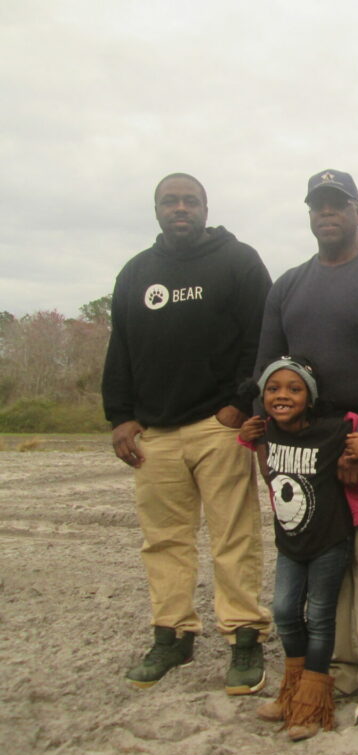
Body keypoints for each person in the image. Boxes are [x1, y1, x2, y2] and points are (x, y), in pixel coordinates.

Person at [255, 170, 358, 724]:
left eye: (338, 204)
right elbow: (268, 366)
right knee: (330, 552)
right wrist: (271, 433)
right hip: (314, 440)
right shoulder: (289, 284)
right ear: (309, 215)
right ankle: (341, 668)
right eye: (318, 205)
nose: (327, 213)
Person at [102, 173, 272, 694]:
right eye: (170, 201)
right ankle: (172, 636)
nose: (180, 208)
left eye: (189, 201)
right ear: (156, 210)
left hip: (216, 427)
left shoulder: (238, 260)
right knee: (164, 541)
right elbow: (122, 348)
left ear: (205, 207)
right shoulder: (136, 272)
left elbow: (263, 337)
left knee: (233, 536)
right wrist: (120, 416)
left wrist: (238, 404)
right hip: (155, 432)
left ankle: (244, 638)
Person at [238, 357, 358, 741]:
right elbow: (250, 443)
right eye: (273, 389)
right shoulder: (265, 431)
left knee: (321, 618)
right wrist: (245, 433)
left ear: (310, 398)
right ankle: (291, 689)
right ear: (263, 397)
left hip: (329, 541)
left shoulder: (332, 429)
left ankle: (310, 703)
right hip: (290, 543)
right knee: (284, 612)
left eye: (294, 389)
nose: (282, 395)